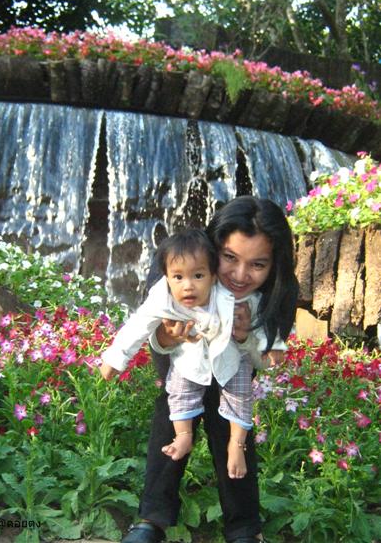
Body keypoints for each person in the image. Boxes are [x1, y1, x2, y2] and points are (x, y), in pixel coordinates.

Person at [121, 196, 299, 543]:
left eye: (257, 264)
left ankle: (244, 528)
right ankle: (151, 519)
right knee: (172, 415)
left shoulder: (276, 294)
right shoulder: (178, 269)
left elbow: (267, 360)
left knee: (231, 425)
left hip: (235, 364)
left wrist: (246, 337)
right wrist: (169, 336)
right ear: (214, 246)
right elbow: (153, 336)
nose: (240, 275)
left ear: (274, 264)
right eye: (229, 257)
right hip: (182, 357)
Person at [100, 229, 261, 478]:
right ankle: (184, 436)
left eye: (198, 275)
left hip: (230, 356)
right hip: (190, 357)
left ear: (214, 276)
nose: (188, 286)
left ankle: (237, 445)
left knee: (240, 394)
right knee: (179, 390)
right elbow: (138, 325)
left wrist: (270, 345)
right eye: (178, 277)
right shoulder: (162, 297)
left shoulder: (230, 295)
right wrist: (115, 360)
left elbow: (260, 316)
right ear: (166, 277)